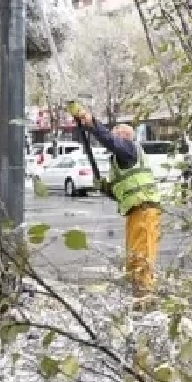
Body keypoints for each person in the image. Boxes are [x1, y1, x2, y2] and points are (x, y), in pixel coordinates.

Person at [67, 102, 162, 296]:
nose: (112, 135)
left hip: (144, 210)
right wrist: (106, 187)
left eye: (116, 132)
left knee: (141, 256)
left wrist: (91, 122)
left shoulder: (128, 149)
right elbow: (122, 191)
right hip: (137, 211)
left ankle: (144, 296)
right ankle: (139, 293)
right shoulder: (123, 160)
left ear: (125, 137)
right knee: (135, 255)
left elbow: (109, 140)